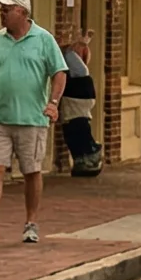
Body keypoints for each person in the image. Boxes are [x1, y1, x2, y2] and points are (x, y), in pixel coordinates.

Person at [0, 0, 68, 245]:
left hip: (32, 119)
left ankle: (31, 223)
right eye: (1, 9)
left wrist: (53, 103)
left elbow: (59, 73)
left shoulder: (44, 39)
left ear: (23, 13)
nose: (2, 13)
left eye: (8, 9)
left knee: (31, 171)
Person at [56, 27, 104, 177]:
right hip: (81, 95)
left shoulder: (71, 59)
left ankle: (89, 154)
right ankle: (84, 158)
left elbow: (77, 64)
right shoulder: (73, 62)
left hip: (77, 95)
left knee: (76, 126)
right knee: (77, 126)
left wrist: (81, 44)